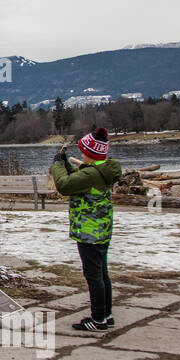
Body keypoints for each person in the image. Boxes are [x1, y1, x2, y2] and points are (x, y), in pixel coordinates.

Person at [49, 127, 122, 331]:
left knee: (93, 275)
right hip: (102, 229)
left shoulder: (91, 175)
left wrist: (57, 164)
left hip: (89, 231)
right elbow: (78, 180)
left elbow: (64, 185)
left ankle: (97, 319)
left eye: (84, 151)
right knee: (102, 273)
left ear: (90, 154)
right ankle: (106, 315)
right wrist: (65, 163)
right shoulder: (101, 171)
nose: (81, 154)